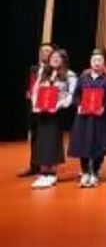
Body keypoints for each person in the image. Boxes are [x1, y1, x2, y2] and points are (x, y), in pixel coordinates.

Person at [68, 48, 106, 188]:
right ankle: (85, 172)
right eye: (94, 60)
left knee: (99, 144)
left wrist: (104, 107)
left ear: (104, 62)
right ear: (90, 62)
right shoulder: (83, 77)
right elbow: (76, 95)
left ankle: (95, 172)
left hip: (101, 117)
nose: (97, 63)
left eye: (100, 60)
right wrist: (78, 105)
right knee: (83, 143)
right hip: (84, 117)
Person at [29, 48, 76, 189]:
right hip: (42, 112)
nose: (55, 59)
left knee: (53, 142)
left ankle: (52, 174)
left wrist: (59, 105)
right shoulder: (43, 73)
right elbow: (35, 90)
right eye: (53, 57)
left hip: (57, 112)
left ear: (63, 60)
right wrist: (35, 105)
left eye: (58, 57)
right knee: (42, 141)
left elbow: (71, 95)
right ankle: (43, 173)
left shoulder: (69, 75)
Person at [19, 42, 55, 178]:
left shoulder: (54, 70)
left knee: (45, 138)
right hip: (33, 107)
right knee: (34, 137)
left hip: (47, 108)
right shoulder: (33, 69)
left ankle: (46, 167)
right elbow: (29, 85)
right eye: (43, 51)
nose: (45, 53)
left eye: (48, 51)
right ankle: (34, 166)